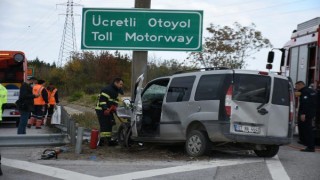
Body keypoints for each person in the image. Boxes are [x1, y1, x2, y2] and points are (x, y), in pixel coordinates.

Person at [95, 78, 124, 146]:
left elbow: (115, 101)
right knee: (105, 124)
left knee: (110, 123)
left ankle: (107, 140)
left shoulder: (116, 91)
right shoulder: (107, 90)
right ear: (115, 83)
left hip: (109, 110)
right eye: (120, 84)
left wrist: (115, 108)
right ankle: (103, 142)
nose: (121, 86)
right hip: (101, 109)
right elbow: (102, 101)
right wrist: (105, 109)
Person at [295, 81, 317, 152]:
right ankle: (305, 141)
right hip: (311, 112)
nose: (296, 88)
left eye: (297, 86)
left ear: (300, 85)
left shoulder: (305, 92)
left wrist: (303, 113)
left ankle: (310, 147)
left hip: (306, 113)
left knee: (307, 129)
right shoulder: (311, 90)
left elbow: (305, 103)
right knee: (304, 128)